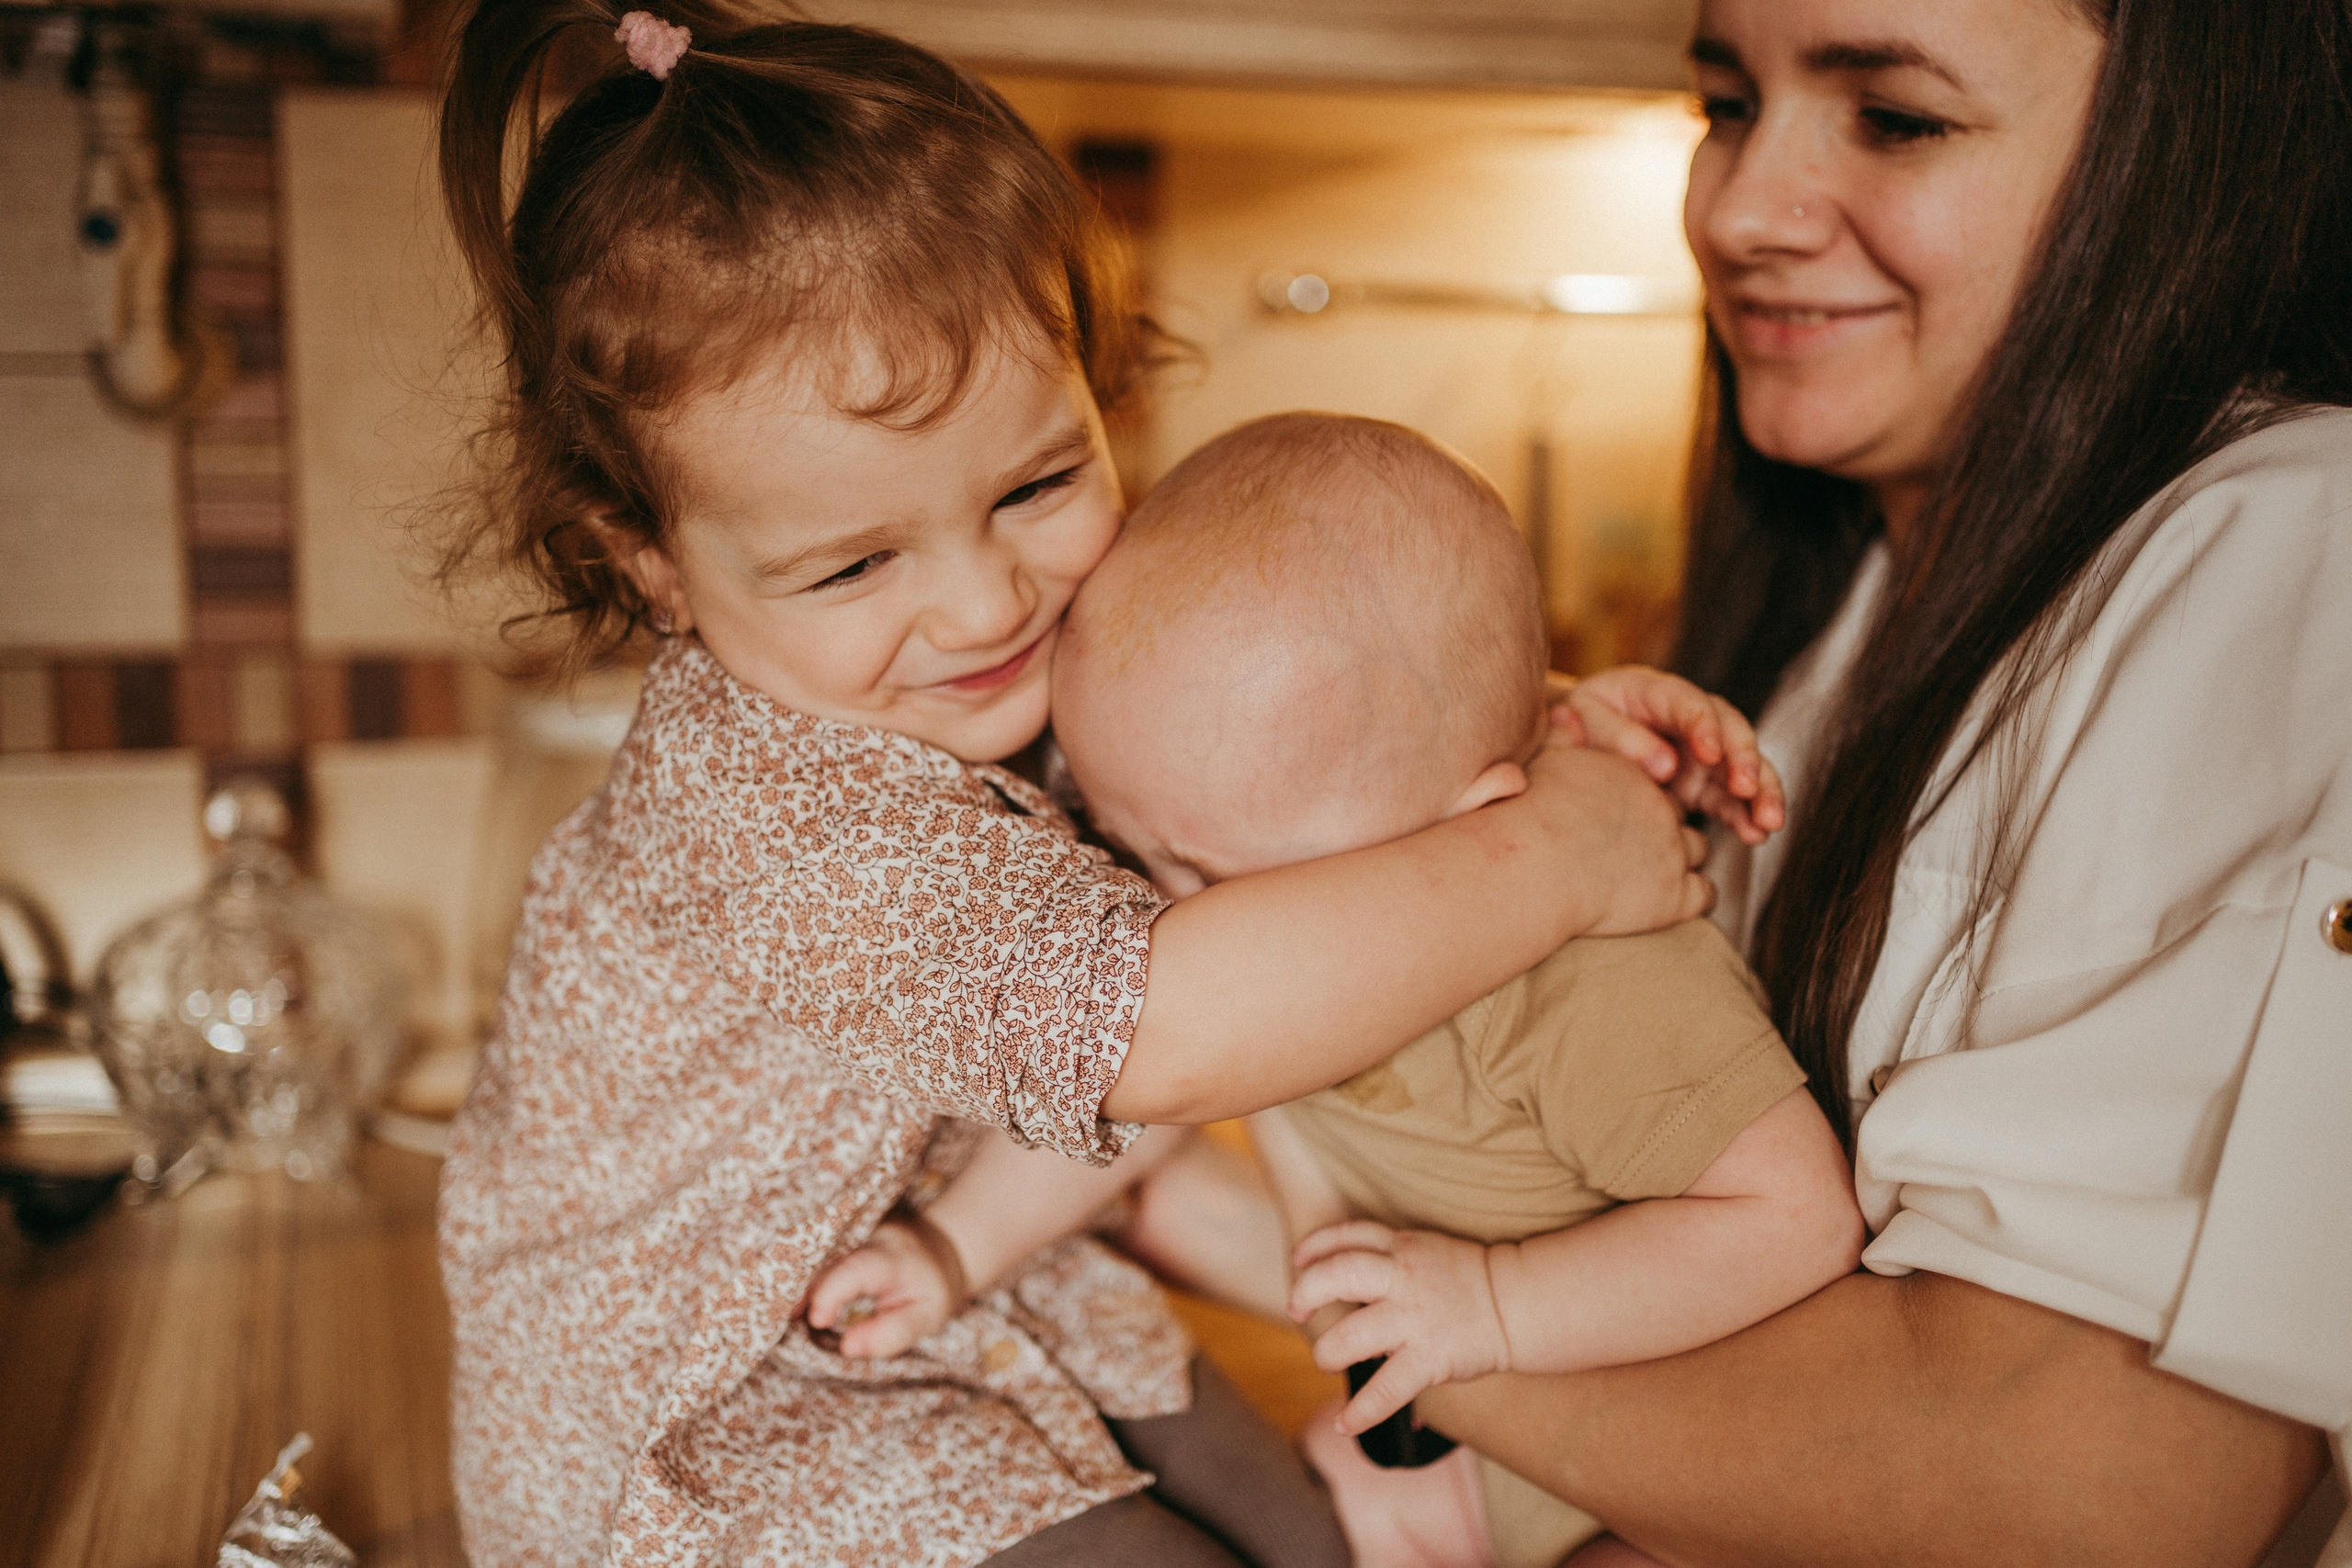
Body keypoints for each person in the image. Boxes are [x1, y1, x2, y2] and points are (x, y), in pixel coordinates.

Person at [429, 6, 1717, 1565]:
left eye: (1037, 481)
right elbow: (1161, 1027)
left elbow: (1282, 731)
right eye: (851, 561)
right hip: (712, 1411)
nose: (988, 607)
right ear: (656, 567)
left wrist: (1552, 728)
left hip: (968, 1278)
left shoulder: (980, 655)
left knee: (1320, 1546)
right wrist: (1560, 857)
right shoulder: (770, 813)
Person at [1408, 1, 2352, 1564]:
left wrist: (1440, 1354)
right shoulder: (1829, 609)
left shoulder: (2288, 539)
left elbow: (2086, 1475)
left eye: (1896, 117)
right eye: (1724, 103)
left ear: (2180, 155)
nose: (1740, 210)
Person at [804, 412, 1865, 1568]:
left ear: (1477, 831)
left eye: (1211, 873)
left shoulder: (1591, 986)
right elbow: (1140, 1088)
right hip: (1474, 1450)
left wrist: (1492, 1306)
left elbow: (1794, 1220)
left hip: (1670, 1486)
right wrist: (950, 1248)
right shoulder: (1317, 851)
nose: (1173, 914)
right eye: (1132, 847)